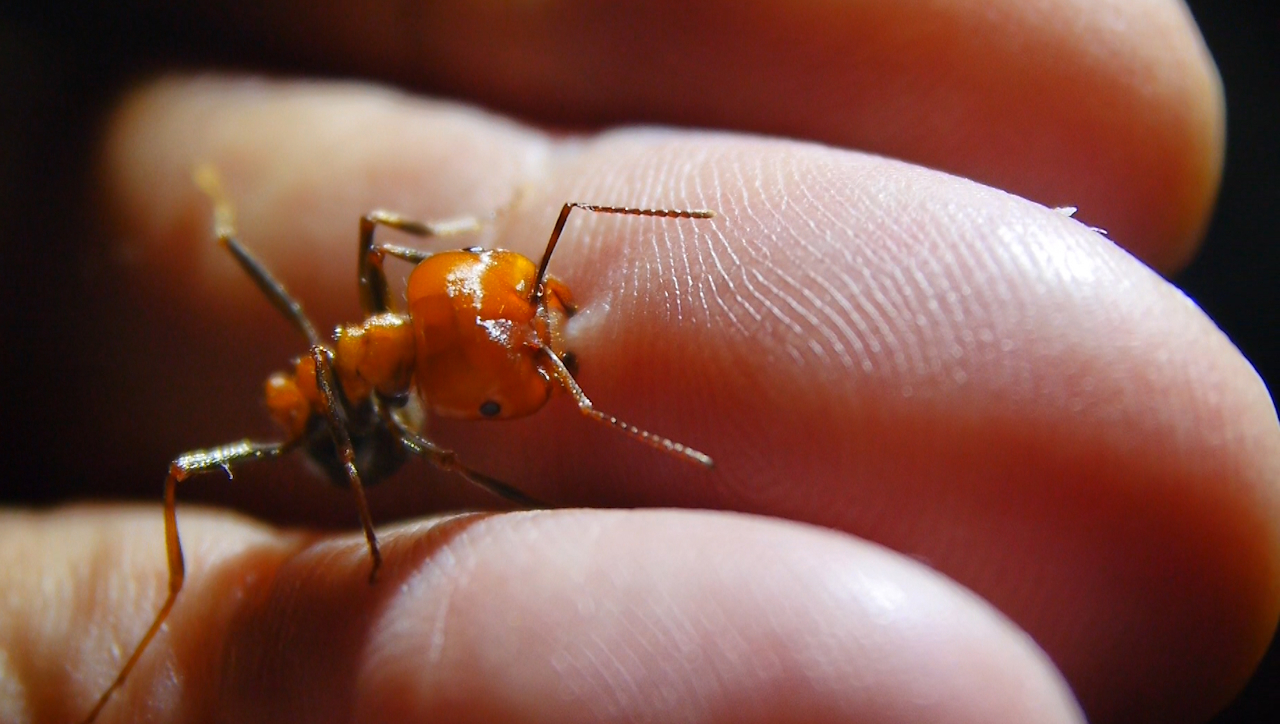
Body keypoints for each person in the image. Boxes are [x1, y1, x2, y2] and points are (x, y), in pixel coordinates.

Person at [2, 1, 1273, 723]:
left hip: (388, 386)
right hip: (343, 422)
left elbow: (416, 283)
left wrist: (470, 269)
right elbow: (396, 414)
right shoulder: (350, 383)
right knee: (215, 465)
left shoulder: (395, 299)